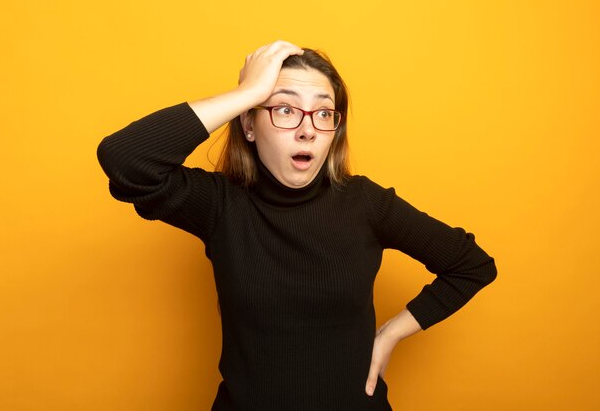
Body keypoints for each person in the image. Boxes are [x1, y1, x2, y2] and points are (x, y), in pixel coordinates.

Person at [97, 40, 497, 411]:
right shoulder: (220, 204)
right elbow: (126, 160)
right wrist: (248, 95)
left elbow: (471, 265)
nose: (308, 128)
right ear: (249, 126)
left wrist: (390, 334)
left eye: (324, 112)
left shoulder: (367, 204)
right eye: (284, 108)